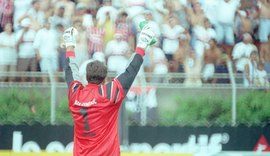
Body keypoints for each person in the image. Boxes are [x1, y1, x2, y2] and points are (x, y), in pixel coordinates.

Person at [62, 23, 156, 155]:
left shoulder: (75, 94)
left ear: (87, 77)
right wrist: (142, 44)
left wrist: (69, 44)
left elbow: (70, 70)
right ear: (105, 79)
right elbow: (130, 72)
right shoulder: (108, 94)